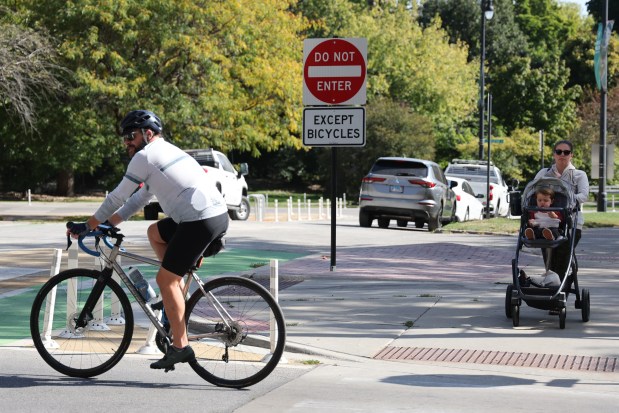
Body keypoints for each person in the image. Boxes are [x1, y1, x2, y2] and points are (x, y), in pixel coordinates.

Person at [67, 110, 229, 371]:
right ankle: (173, 297)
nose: (127, 142)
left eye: (131, 136)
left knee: (164, 280)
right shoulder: (160, 154)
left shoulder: (145, 156)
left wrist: (88, 225)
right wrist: (108, 224)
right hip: (206, 215)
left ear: (148, 134)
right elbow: (137, 201)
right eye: (124, 138)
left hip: (199, 220)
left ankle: (180, 347)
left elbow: (117, 198)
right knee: (154, 232)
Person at [533, 139, 589, 280]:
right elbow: (532, 190)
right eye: (559, 152)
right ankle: (551, 281)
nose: (562, 155)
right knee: (549, 251)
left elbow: (584, 195)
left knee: (563, 252)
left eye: (566, 152)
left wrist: (565, 199)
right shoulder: (544, 173)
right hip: (546, 220)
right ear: (554, 154)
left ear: (571, 155)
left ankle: (558, 283)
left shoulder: (579, 175)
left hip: (571, 221)